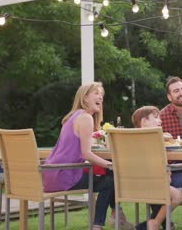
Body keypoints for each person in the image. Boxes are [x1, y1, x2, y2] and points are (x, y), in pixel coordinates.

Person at [42, 82, 134, 230]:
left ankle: (117, 216)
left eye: (102, 95)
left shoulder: (72, 117)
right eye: (96, 93)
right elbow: (86, 154)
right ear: (84, 98)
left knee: (108, 175)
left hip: (51, 174)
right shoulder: (85, 118)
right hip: (64, 176)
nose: (101, 98)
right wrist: (111, 164)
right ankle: (100, 225)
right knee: (110, 181)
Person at [132, 106, 182, 230]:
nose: (160, 121)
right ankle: (154, 223)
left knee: (162, 196)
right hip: (150, 184)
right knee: (176, 196)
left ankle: (149, 225)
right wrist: (167, 174)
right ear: (144, 122)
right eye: (156, 118)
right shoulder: (153, 139)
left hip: (132, 185)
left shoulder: (133, 139)